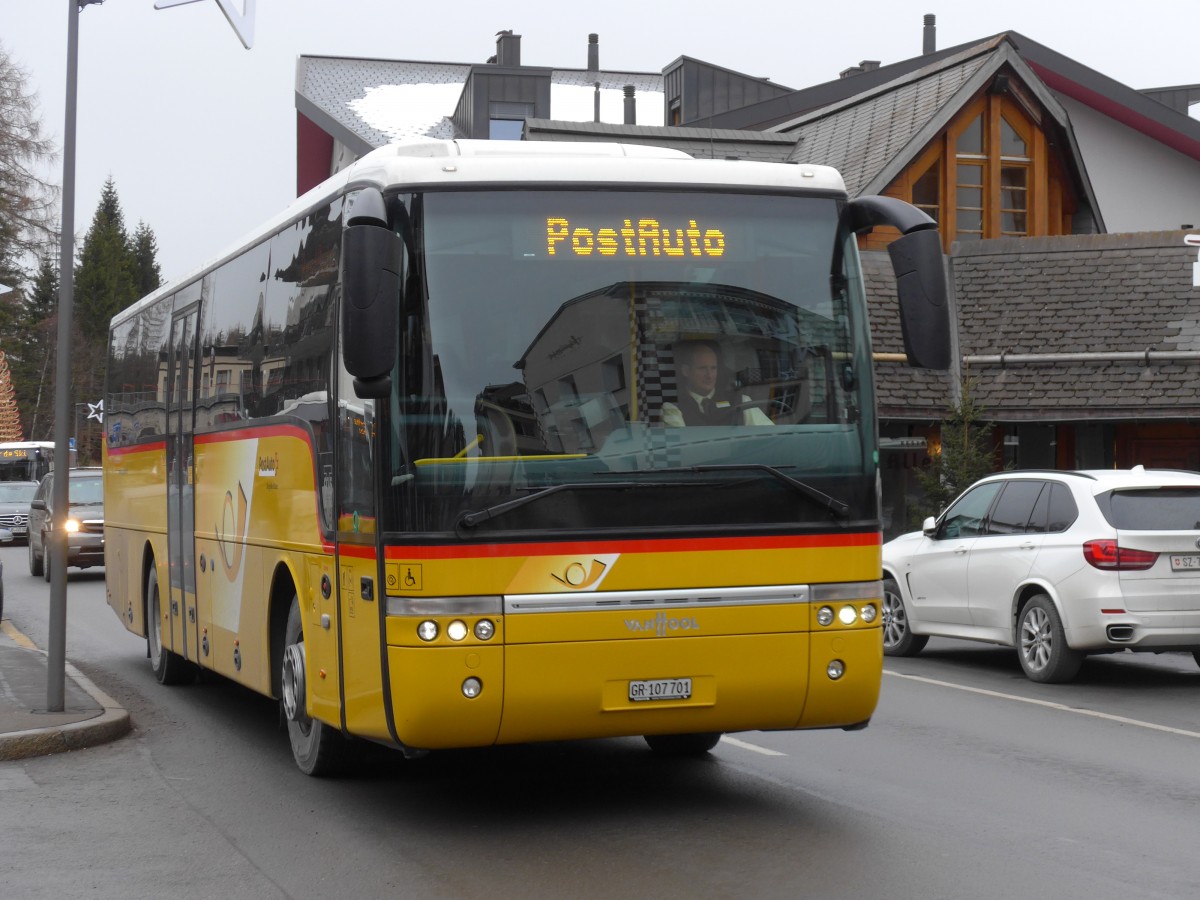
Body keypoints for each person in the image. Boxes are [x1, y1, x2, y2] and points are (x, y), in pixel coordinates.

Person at [660, 340, 773, 427]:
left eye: (713, 368)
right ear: (686, 371)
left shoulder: (741, 401)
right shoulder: (672, 408)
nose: (709, 375)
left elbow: (771, 436)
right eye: (702, 368)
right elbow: (683, 451)